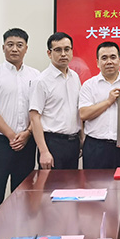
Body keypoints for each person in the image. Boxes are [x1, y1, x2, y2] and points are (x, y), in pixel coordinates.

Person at [0, 28, 39, 211]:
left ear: (26, 48)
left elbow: (39, 110)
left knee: (24, 192)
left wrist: (27, 133)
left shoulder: (36, 75)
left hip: (27, 142)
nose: (14, 49)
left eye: (19, 45)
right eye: (10, 44)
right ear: (3, 47)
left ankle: (21, 227)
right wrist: (12, 136)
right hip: (0, 142)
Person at [79, 41, 120, 169]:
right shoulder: (89, 85)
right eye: (104, 58)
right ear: (97, 62)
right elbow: (83, 114)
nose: (109, 62)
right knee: (92, 182)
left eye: (113, 57)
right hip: (94, 146)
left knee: (119, 182)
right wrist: (108, 101)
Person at [29, 32, 82, 169]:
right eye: (58, 50)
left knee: (72, 183)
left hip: (73, 142)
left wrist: (81, 139)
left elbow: (78, 111)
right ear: (49, 53)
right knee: (50, 183)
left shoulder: (75, 77)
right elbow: (34, 118)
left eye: (67, 49)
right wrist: (43, 151)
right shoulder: (41, 81)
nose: (63, 54)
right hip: (52, 143)